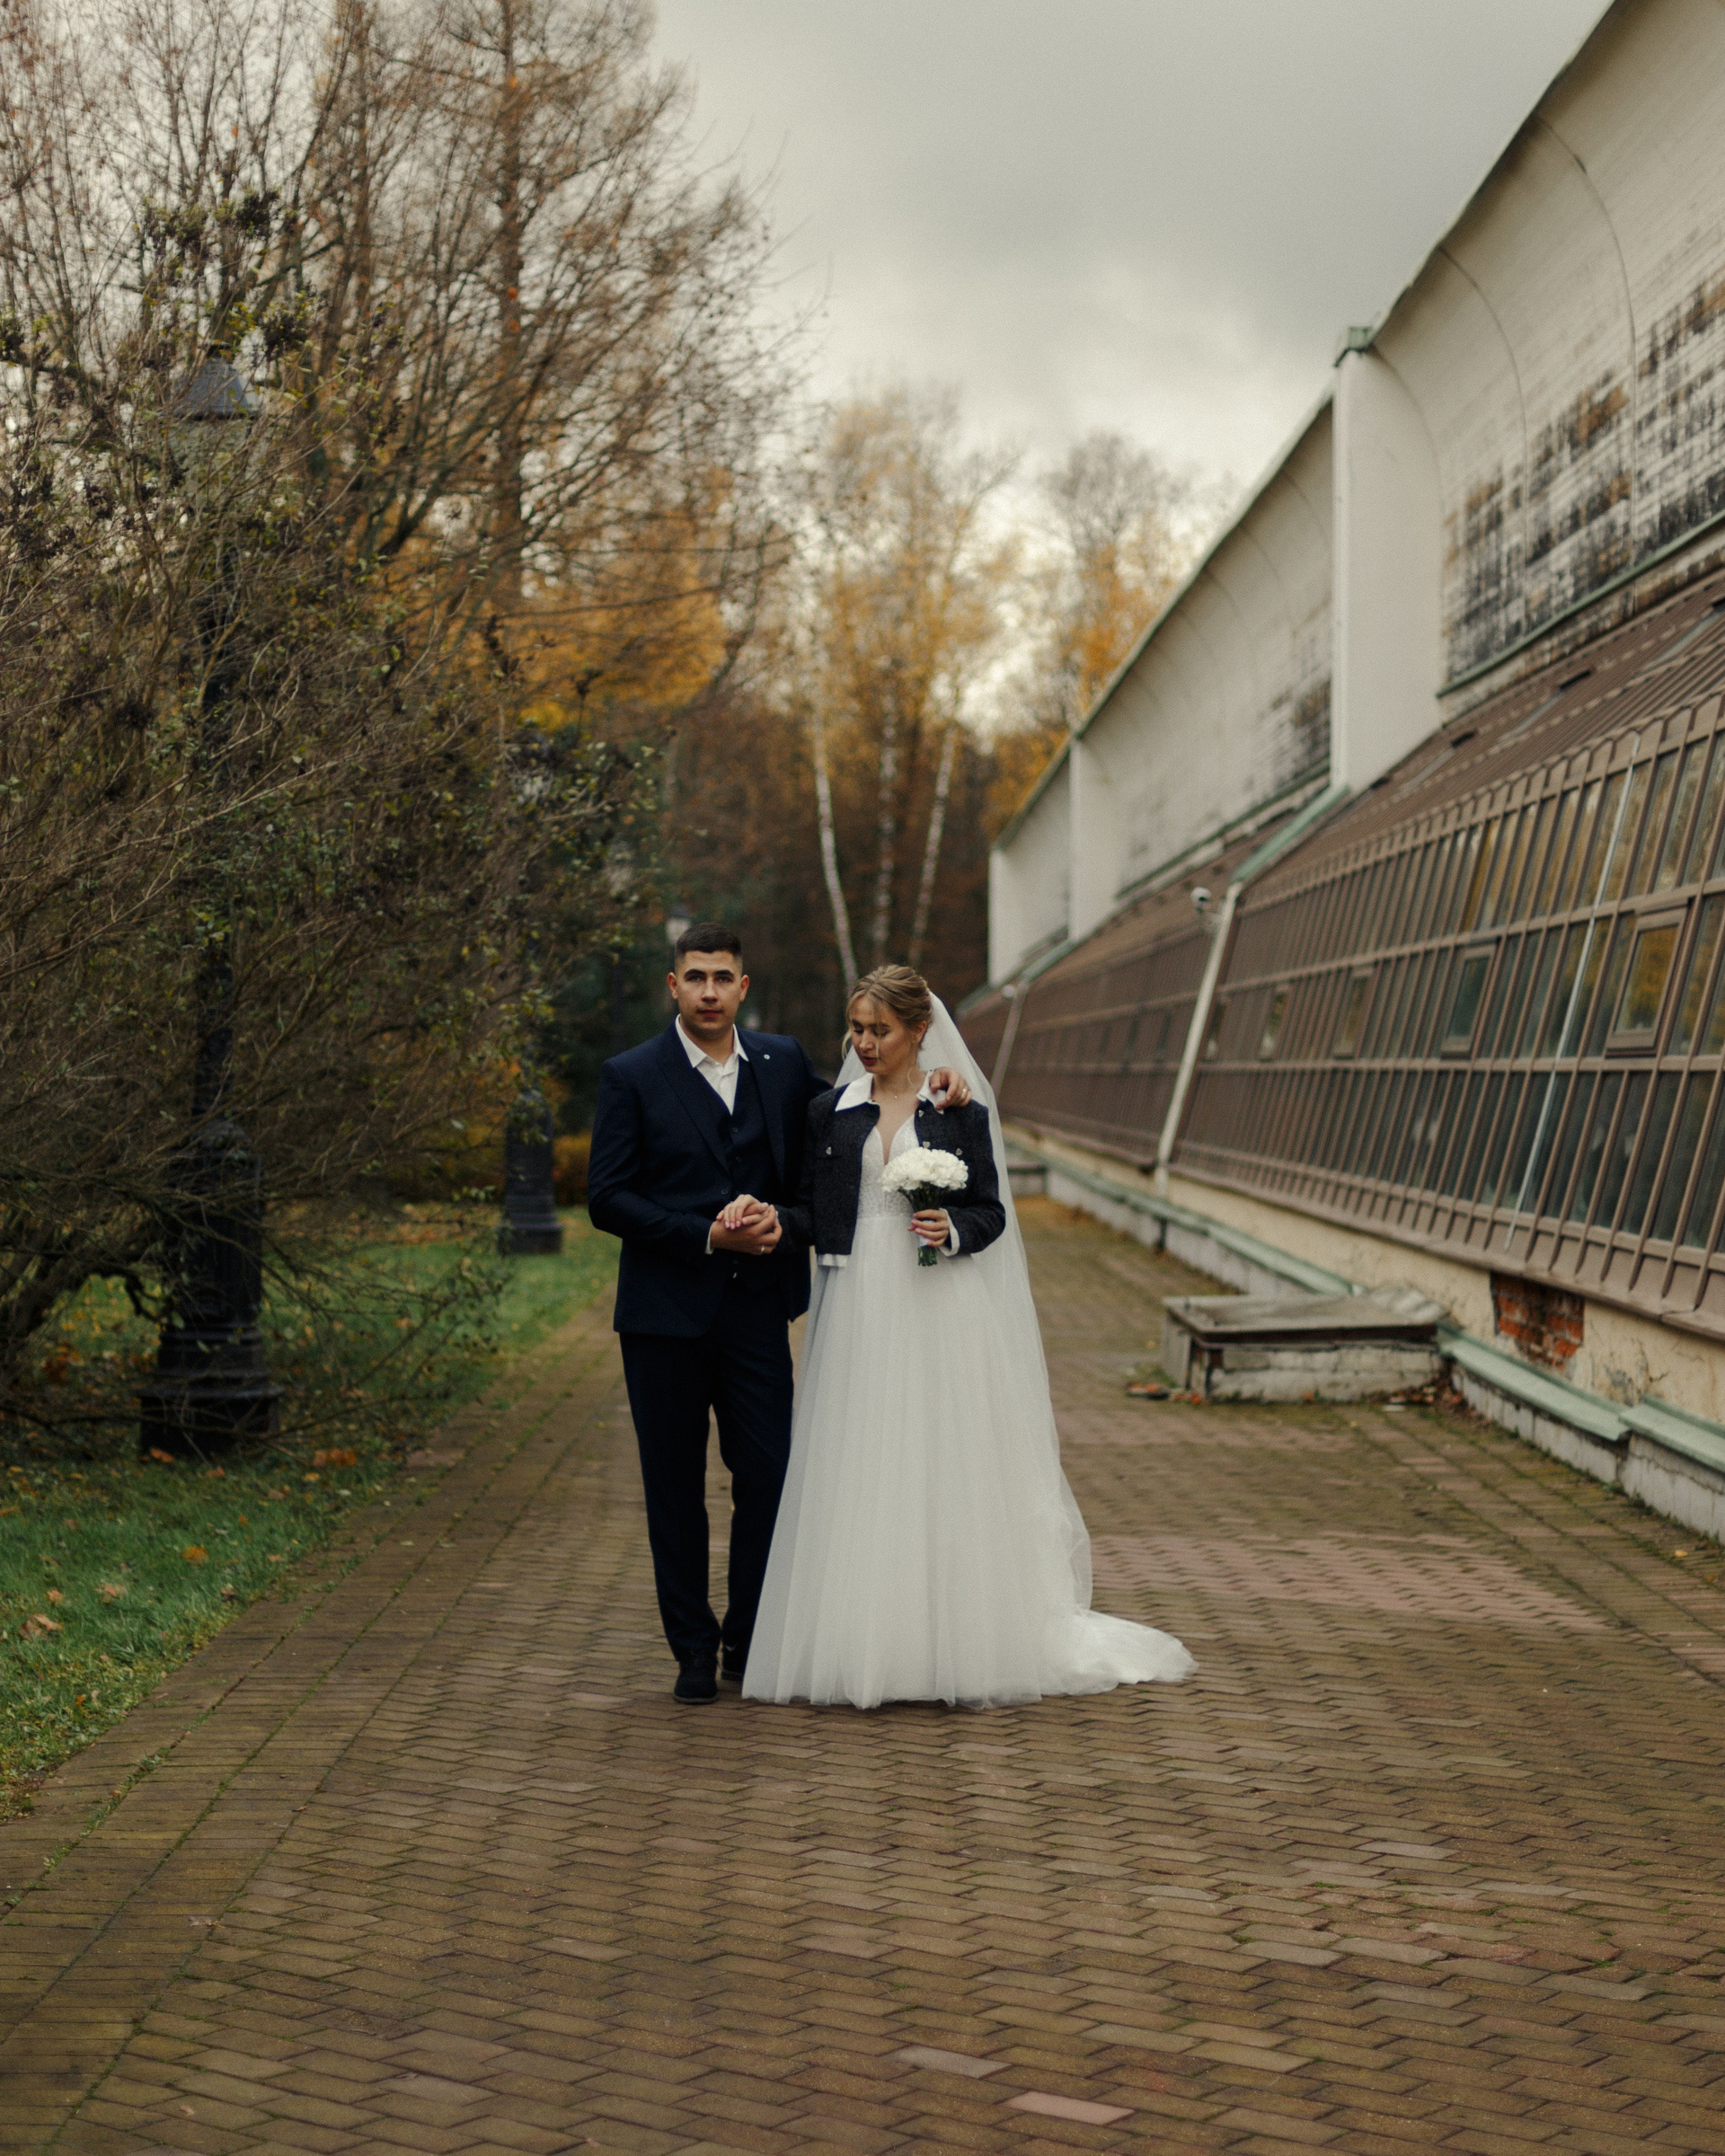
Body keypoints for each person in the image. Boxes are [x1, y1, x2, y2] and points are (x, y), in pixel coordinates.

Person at [742, 965, 1194, 1710]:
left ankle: (954, 1638)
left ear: (919, 1030)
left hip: (935, 1301)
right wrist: (770, 1222)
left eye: (881, 1030)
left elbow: (991, 1210)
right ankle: (868, 1641)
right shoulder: (832, 1110)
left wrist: (952, 1229)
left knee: (938, 1454)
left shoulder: (955, 1109)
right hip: (857, 1303)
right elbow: (810, 1209)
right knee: (861, 1456)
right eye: (857, 1029)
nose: (865, 1043)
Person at [585, 925, 970, 1704]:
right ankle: (692, 1649)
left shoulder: (783, 1062)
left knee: (767, 1478)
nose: (709, 991)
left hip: (757, 1310)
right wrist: (704, 1233)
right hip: (662, 1319)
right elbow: (607, 1197)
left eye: (723, 977)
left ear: (744, 987)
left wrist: (940, 1080)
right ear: (673, 985)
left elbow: (854, 1115)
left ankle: (749, 1637)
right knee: (673, 1489)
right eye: (695, 977)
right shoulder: (631, 1075)